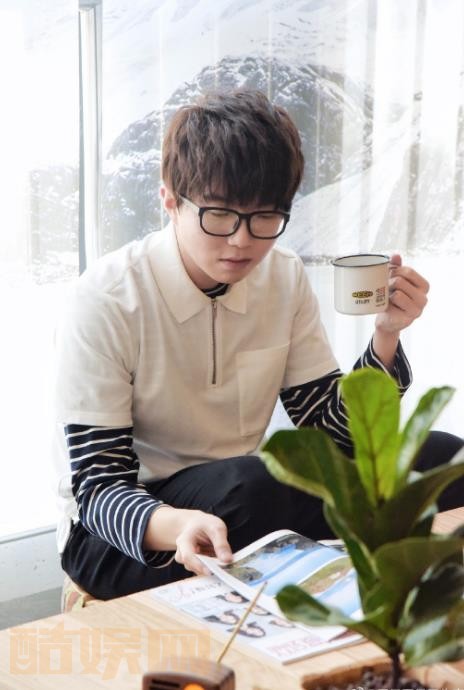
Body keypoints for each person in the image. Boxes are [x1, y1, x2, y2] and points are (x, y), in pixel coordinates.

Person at [54, 89, 463, 602]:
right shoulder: (108, 298)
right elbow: (98, 487)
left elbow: (331, 430)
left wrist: (386, 334)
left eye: (265, 217)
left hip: (243, 503)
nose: (242, 241)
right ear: (170, 200)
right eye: (220, 215)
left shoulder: (283, 277)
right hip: (128, 530)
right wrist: (176, 524)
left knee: (443, 458)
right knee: (256, 487)